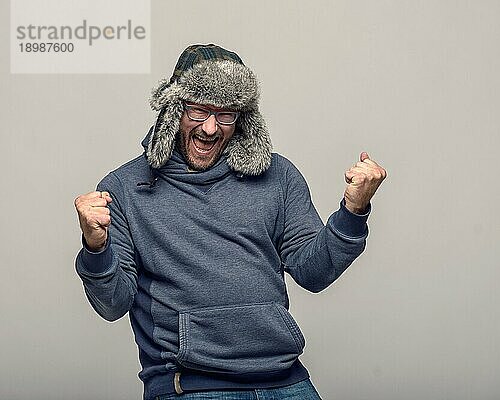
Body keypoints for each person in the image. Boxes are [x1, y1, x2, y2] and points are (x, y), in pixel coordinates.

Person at [74, 44, 386, 400]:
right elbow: (113, 303)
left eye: (225, 114)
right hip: (190, 387)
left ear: (243, 118)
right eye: (199, 110)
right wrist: (95, 247)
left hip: (286, 382)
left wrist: (353, 210)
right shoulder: (124, 189)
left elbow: (314, 273)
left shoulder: (277, 176)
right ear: (173, 108)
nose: (210, 128)